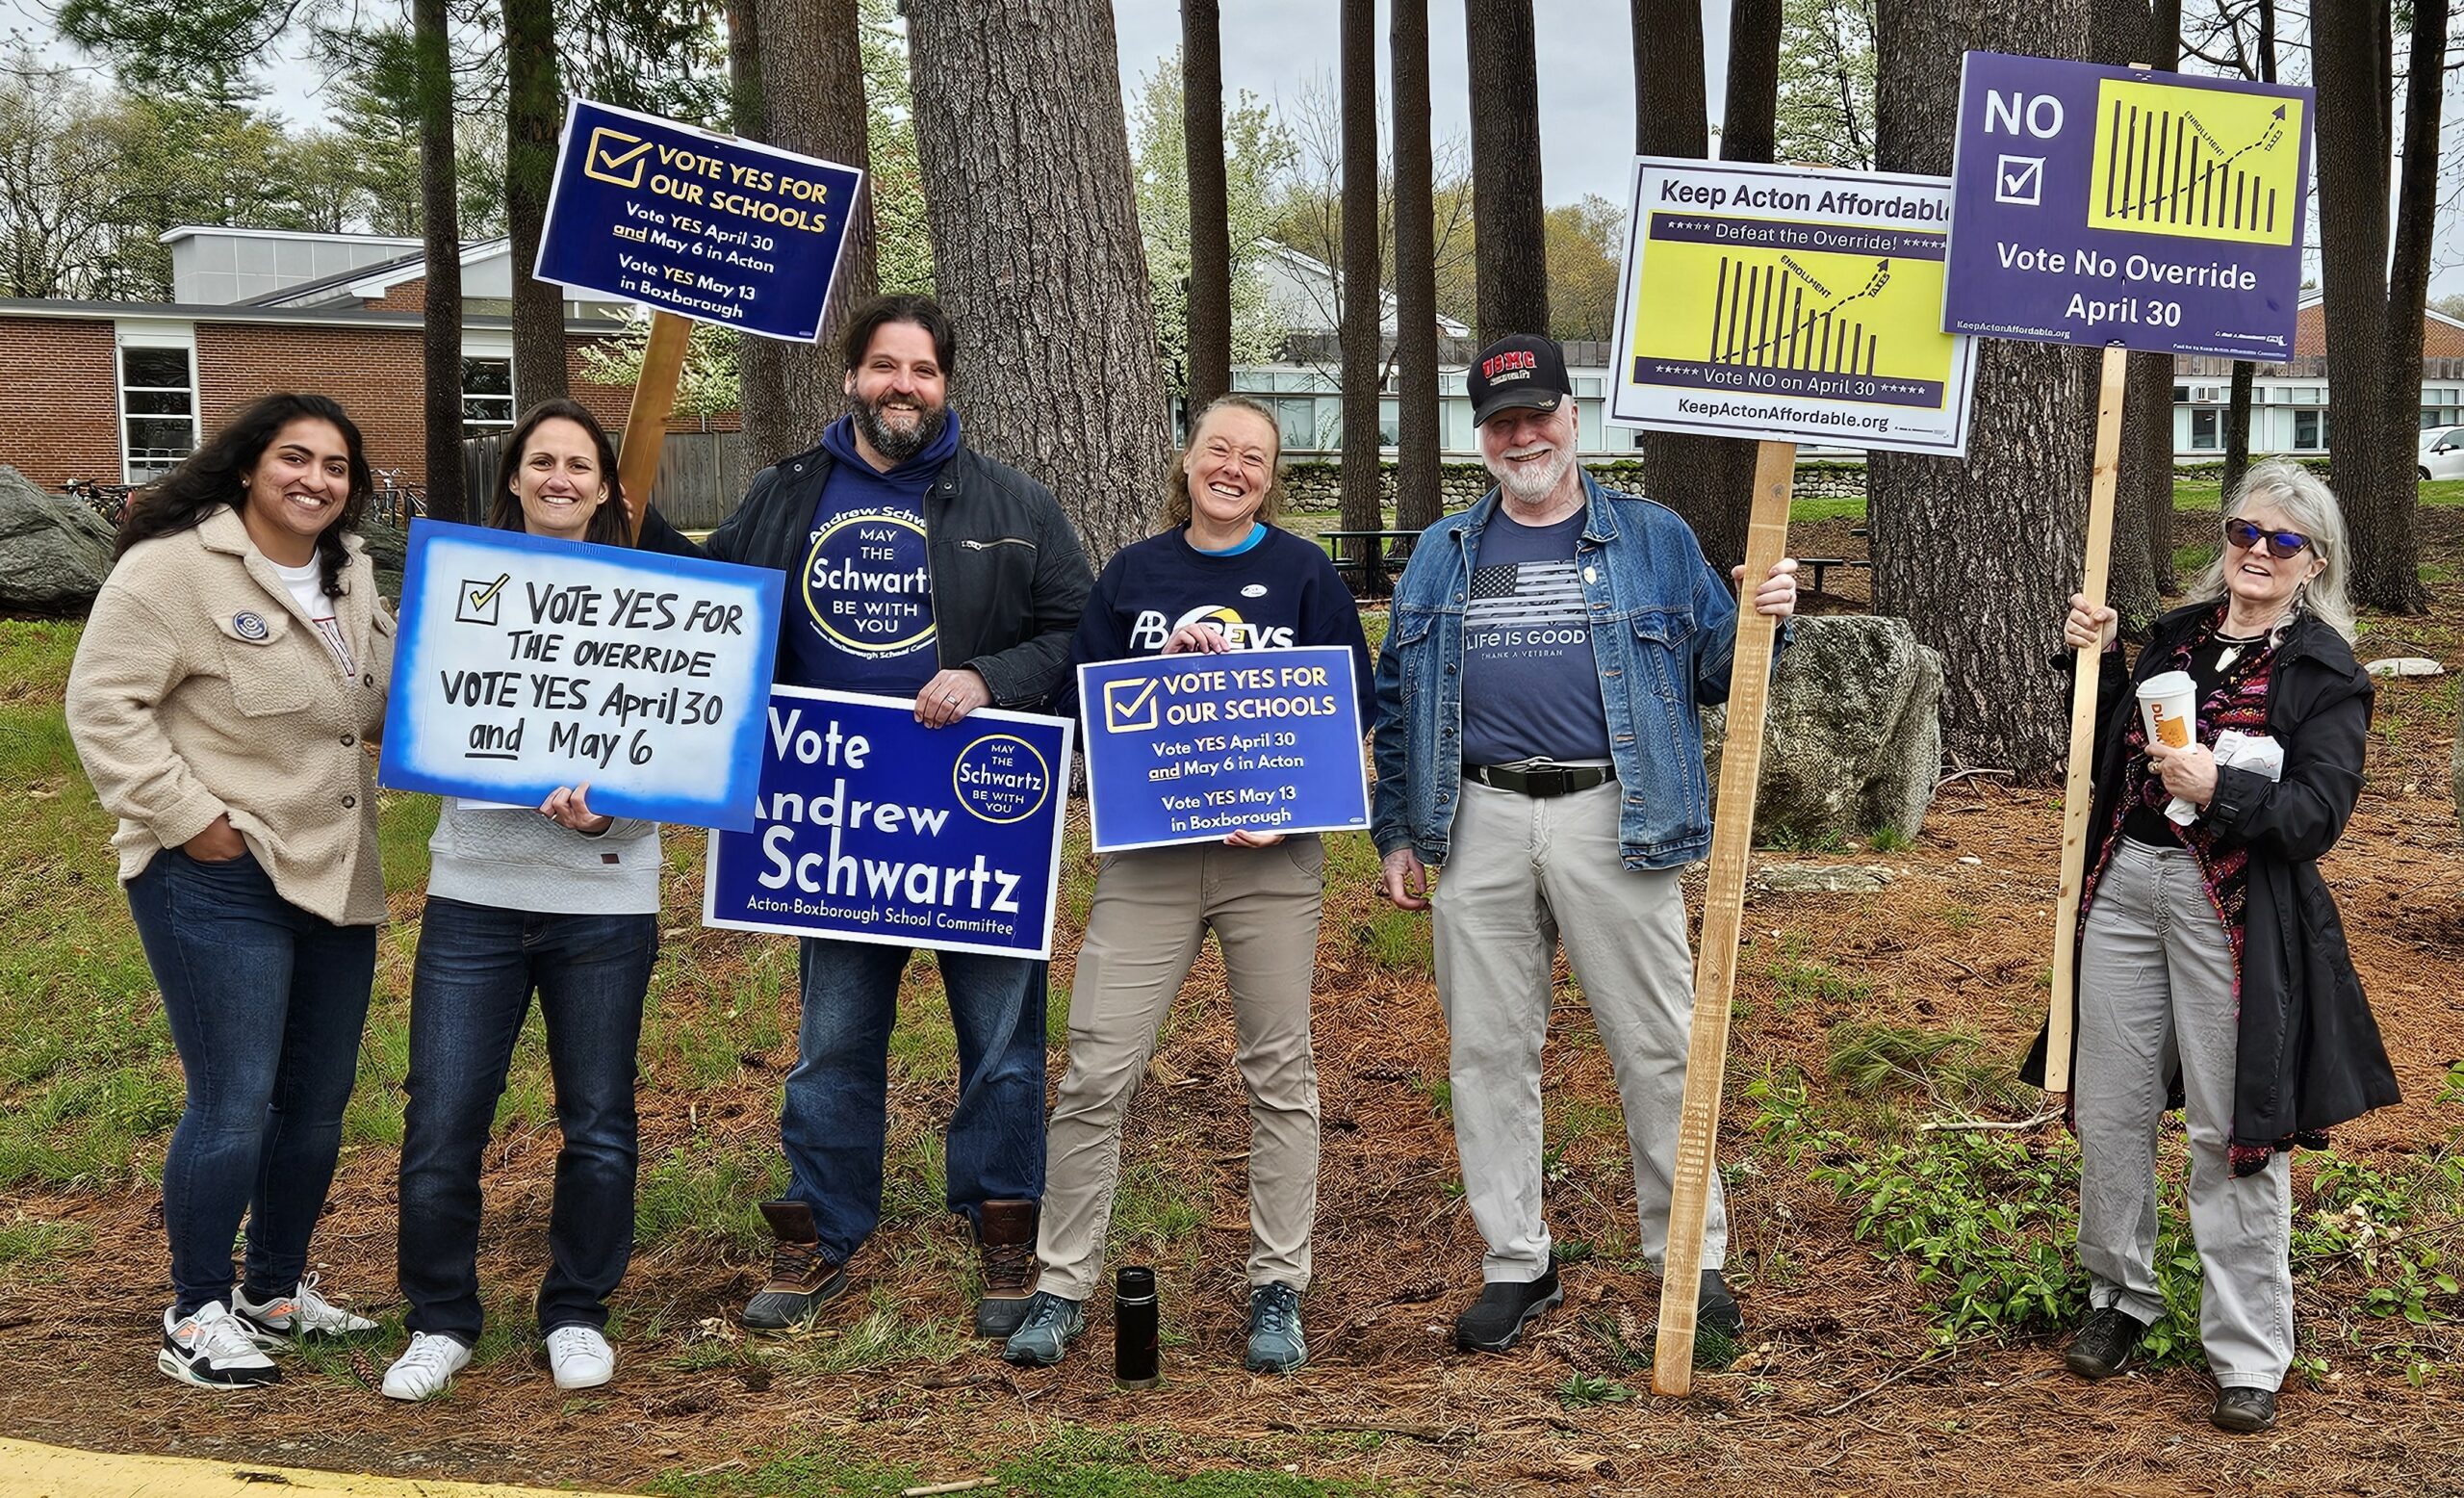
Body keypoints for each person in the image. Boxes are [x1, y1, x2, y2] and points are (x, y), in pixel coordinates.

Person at [1370, 333, 1798, 1354]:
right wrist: (1395, 831)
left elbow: (1712, 670)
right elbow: (1395, 697)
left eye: (1539, 414)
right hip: (1471, 819)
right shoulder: (1441, 551)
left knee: (1656, 1045)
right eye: (1502, 421)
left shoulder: (1651, 537)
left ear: (1573, 417)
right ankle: (1517, 1259)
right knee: (1486, 1051)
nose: (1524, 436)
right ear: (1483, 437)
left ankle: (1687, 1255)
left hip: (1617, 816)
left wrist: (1762, 618)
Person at [704, 294, 1093, 1336]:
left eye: (922, 370)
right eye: (884, 366)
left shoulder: (1014, 504)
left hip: (978, 821)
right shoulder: (786, 494)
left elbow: (1076, 630)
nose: (902, 386)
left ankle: (1005, 1227)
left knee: (1002, 1040)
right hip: (833, 816)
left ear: (946, 384)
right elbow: (711, 615)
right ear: (850, 376)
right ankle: (822, 1229)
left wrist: (987, 675)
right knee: (833, 1038)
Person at [1000, 396, 1373, 1375]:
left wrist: (1290, 810)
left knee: (1279, 1074)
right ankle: (1059, 1284)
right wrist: (1152, 665)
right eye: (1220, 447)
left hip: (1271, 862)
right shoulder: (1133, 572)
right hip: (1152, 859)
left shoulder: (1303, 574)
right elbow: (1086, 706)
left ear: (1269, 474)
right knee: (1094, 1070)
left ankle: (1277, 1286)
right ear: (1189, 457)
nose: (1234, 467)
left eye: (1255, 456)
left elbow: (1346, 720)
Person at [2031, 460, 2397, 1433]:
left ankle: (2246, 1347)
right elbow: (2105, 741)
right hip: (2124, 888)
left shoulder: (2324, 672)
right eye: (2244, 531)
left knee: (2230, 1129)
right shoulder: (2178, 637)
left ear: (2313, 561)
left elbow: (2316, 817)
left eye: (2282, 540)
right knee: (2107, 1109)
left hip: (2231, 911)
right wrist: (2096, 662)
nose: (2256, 552)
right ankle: (2118, 1297)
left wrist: (2217, 783)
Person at [65, 393, 392, 1389]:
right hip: (218, 872)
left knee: (317, 1099)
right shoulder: (171, 569)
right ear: (249, 464)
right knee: (234, 1099)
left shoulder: (351, 573)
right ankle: (196, 1307)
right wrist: (190, 821)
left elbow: (380, 705)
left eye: (336, 467)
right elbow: (101, 703)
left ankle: (274, 1288)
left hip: (337, 872)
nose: (316, 480)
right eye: (296, 458)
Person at [381, 400, 705, 1401]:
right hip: (475, 891)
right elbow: (427, 719)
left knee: (599, 1118)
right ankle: (440, 1319)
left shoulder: (654, 597)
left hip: (603, 902)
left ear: (609, 487)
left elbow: (676, 747)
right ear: (513, 478)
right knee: (442, 1117)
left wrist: (612, 818)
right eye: (541, 461)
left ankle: (576, 1310)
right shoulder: (463, 587)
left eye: (579, 464)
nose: (560, 477)